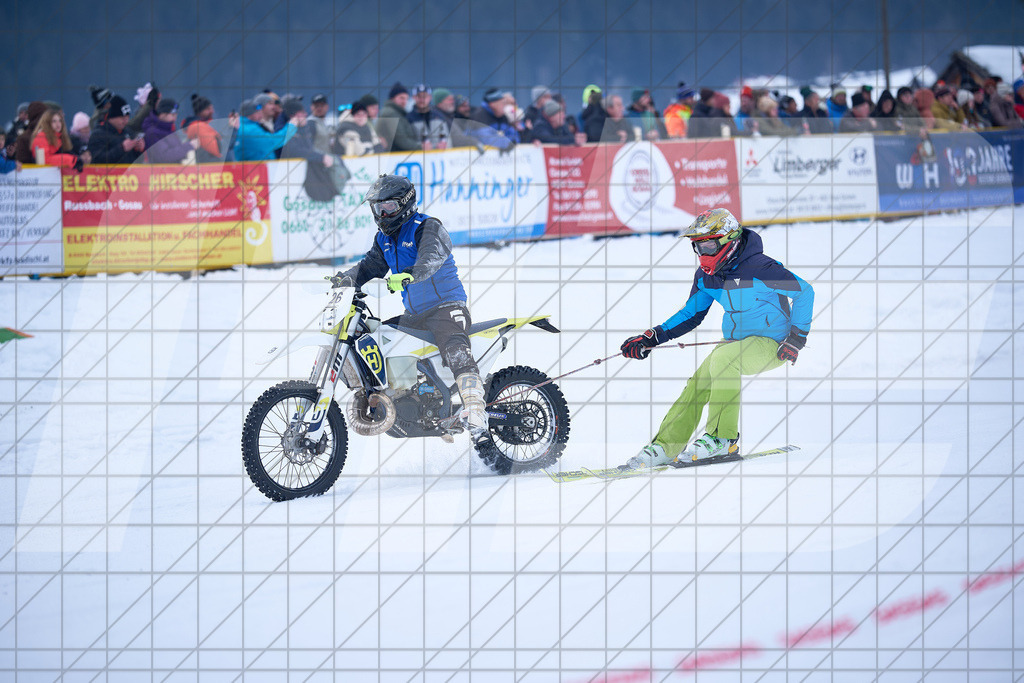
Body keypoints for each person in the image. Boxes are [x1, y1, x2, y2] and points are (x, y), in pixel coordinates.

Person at [619, 208, 814, 468]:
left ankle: (724, 439)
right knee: (697, 383)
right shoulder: (707, 277)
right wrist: (651, 338)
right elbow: (692, 314)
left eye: (709, 245)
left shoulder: (760, 267)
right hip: (734, 347)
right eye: (698, 247)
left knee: (723, 359)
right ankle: (667, 446)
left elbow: (804, 292)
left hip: (774, 345)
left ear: (728, 240)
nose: (703, 254)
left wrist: (796, 338)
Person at [333, 174, 490, 442]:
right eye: (377, 208)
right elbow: (369, 266)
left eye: (388, 207)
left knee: (454, 347)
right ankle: (421, 405)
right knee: (383, 341)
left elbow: (430, 258)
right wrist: (344, 279)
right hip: (415, 315)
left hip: (446, 307)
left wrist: (409, 274)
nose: (382, 214)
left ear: (405, 203)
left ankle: (475, 407)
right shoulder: (384, 239)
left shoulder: (427, 227)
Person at [87, 95, 145, 164]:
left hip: (129, 174)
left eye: (127, 117)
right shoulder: (98, 135)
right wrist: (121, 148)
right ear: (111, 117)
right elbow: (96, 159)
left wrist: (138, 150)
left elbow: (136, 161)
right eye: (122, 118)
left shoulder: (128, 132)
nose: (126, 121)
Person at [143, 98, 196, 164]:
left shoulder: (169, 129)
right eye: (172, 114)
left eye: (176, 114)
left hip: (172, 172)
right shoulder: (153, 132)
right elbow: (165, 156)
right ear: (162, 114)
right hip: (159, 173)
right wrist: (189, 146)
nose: (175, 118)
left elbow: (177, 153)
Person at [376, 82, 421, 152]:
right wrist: (421, 147)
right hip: (393, 157)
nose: (404, 101)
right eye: (401, 98)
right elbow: (401, 140)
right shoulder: (390, 113)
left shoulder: (398, 113)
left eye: (406, 99)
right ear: (392, 98)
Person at [407, 84, 447, 149]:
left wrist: (445, 145)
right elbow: (407, 141)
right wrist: (420, 146)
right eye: (418, 96)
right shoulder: (409, 119)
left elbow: (447, 137)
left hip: (440, 156)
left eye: (424, 96)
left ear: (430, 97)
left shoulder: (439, 116)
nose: (422, 99)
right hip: (418, 157)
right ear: (414, 98)